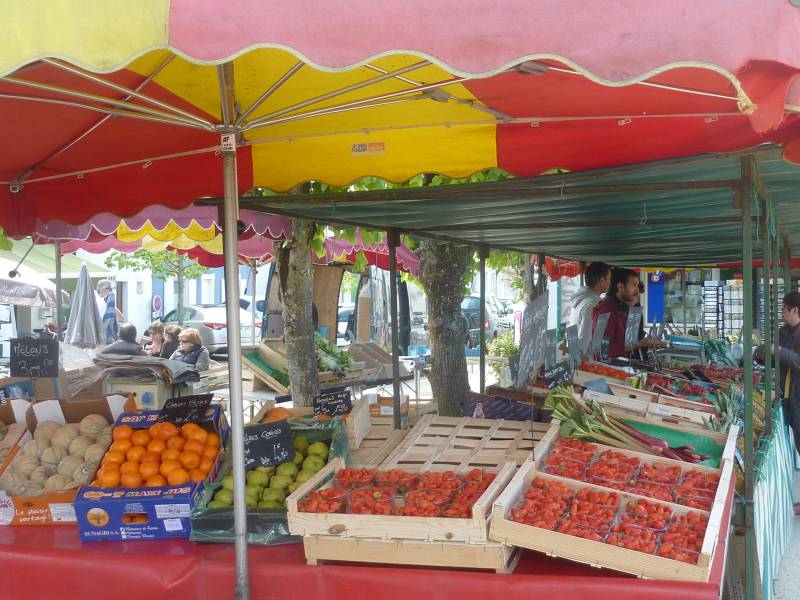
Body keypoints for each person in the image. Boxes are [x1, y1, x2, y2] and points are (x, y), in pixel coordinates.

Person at [757, 292, 800, 513]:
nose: (781, 312)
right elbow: (770, 353)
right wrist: (763, 352)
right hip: (785, 397)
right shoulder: (784, 332)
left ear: (795, 310)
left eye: (784, 308)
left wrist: (778, 351)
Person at [592, 268, 663, 359]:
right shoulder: (605, 310)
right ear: (621, 287)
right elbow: (601, 350)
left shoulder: (621, 309)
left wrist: (644, 342)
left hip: (623, 368)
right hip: (609, 371)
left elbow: (624, 342)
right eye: (634, 285)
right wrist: (640, 343)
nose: (637, 291)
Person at [569, 262, 612, 357]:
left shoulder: (580, 298)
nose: (610, 282)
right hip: (586, 362)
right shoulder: (593, 304)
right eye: (609, 279)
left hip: (578, 358)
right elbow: (584, 338)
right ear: (602, 281)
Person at [96, 279, 118, 344]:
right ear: (103, 289)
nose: (111, 291)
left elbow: (121, 317)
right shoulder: (101, 302)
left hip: (100, 339)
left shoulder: (107, 303)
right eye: (110, 289)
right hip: (105, 338)